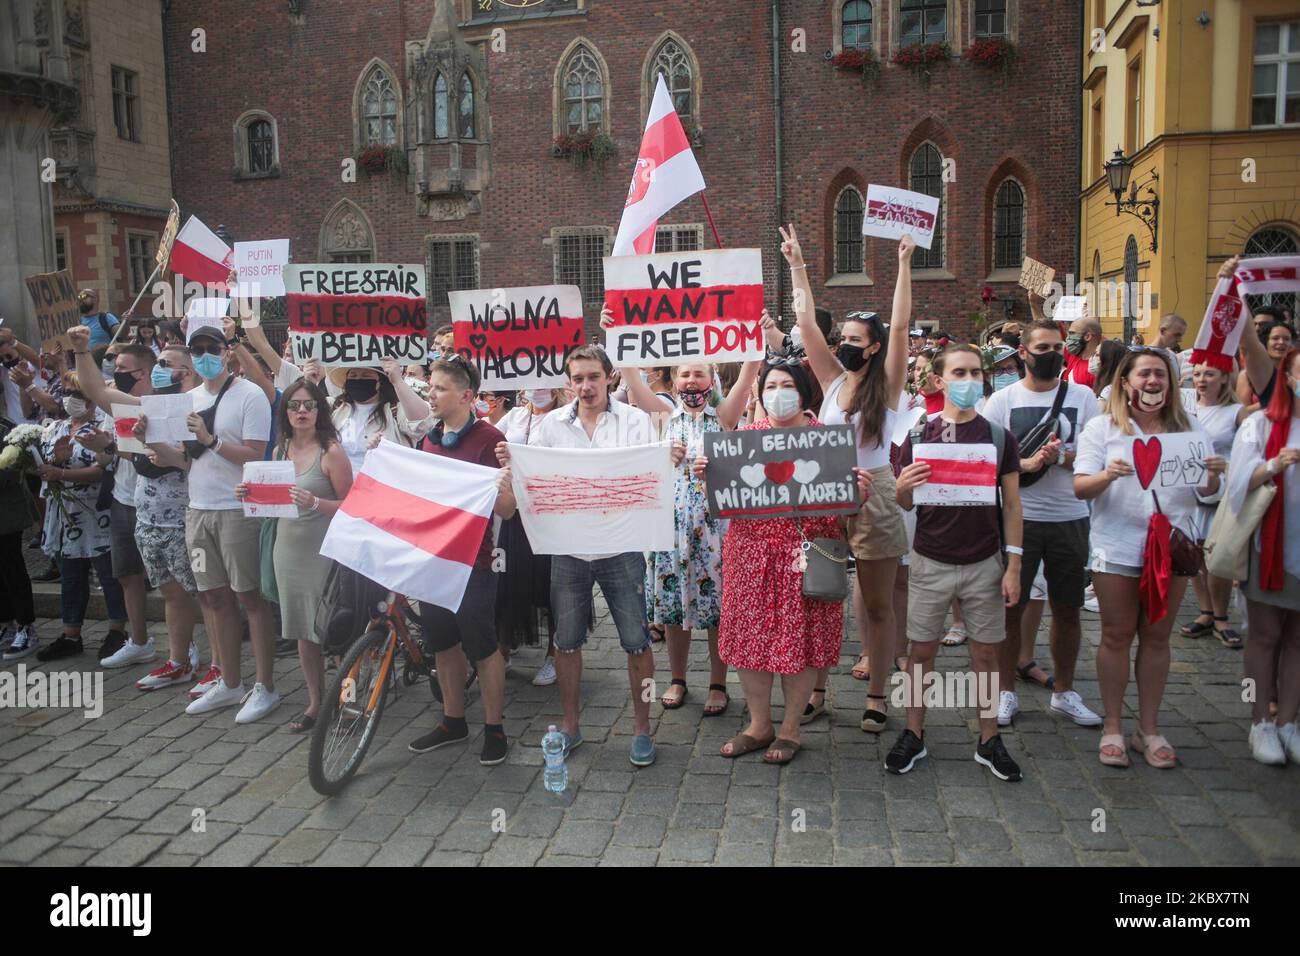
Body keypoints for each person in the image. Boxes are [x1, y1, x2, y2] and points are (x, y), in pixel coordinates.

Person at [497, 345, 681, 767]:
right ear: (568, 382)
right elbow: (535, 484)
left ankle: (641, 728)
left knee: (637, 643)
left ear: (610, 377)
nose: (585, 386)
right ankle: (571, 725)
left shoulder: (635, 421)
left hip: (622, 550)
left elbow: (651, 478)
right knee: (566, 643)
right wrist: (513, 464)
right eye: (577, 378)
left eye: (593, 376)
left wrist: (667, 461)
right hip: (568, 553)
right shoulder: (549, 428)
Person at [703, 360, 867, 764]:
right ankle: (759, 725)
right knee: (750, 642)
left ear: (804, 392)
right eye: (771, 385)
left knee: (802, 641)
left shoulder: (827, 442)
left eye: (788, 384)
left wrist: (857, 495)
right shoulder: (741, 440)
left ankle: (791, 729)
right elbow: (724, 503)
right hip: (750, 556)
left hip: (805, 557)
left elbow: (844, 512)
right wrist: (710, 475)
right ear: (760, 394)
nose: (779, 392)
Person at [787, 224, 915, 734]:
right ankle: (818, 691)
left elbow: (902, 328)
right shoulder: (833, 379)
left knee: (879, 604)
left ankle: (878, 695)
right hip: (827, 490)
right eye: (843, 339)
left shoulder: (886, 385)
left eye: (855, 341)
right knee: (820, 595)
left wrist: (904, 263)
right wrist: (796, 263)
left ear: (874, 346)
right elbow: (804, 321)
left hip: (877, 491)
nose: (844, 345)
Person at [603, 314, 760, 718]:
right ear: (674, 382)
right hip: (669, 531)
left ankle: (718, 682)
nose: (692, 381)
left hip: (715, 531)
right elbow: (630, 374)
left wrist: (753, 332)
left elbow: (748, 372)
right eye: (685, 374)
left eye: (699, 374)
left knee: (717, 609)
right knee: (674, 609)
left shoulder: (724, 417)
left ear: (712, 381)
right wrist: (614, 330)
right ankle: (677, 678)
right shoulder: (660, 416)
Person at [1074, 349, 1224, 768]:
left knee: (1157, 637)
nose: (1153, 381)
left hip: (1173, 545)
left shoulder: (1189, 428)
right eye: (1145, 374)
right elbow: (1080, 487)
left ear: (1171, 384)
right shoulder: (1102, 428)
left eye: (1161, 374)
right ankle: (1114, 726)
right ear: (1126, 381)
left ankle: (1150, 727)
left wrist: (1212, 475)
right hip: (1118, 545)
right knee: (1117, 635)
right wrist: (1108, 475)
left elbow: (1206, 494)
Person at [893, 344, 1025, 781]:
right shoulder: (918, 435)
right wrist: (902, 488)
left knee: (986, 653)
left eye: (975, 373)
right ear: (938, 380)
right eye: (959, 372)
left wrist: (1014, 565)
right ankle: (914, 733)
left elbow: (1011, 506)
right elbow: (906, 503)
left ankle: (989, 739)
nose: (969, 381)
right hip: (930, 560)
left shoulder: (998, 436)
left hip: (984, 561)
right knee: (920, 652)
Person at [150, 323, 279, 721]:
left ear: (227, 352)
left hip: (238, 510)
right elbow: (186, 461)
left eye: (212, 348)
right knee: (211, 596)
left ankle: (265, 686)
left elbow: (256, 454)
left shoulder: (249, 394)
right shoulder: (186, 398)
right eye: (197, 349)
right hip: (198, 509)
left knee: (250, 598)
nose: (205, 355)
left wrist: (211, 439)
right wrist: (151, 440)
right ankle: (230, 681)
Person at [68, 325, 206, 687]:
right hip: (148, 516)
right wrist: (81, 350)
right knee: (171, 593)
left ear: (187, 372)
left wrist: (162, 451)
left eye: (165, 362)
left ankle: (217, 668)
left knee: (204, 594)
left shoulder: (202, 406)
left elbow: (194, 461)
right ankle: (177, 660)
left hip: (187, 517)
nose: (158, 367)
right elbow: (97, 391)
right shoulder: (152, 404)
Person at [982, 319, 1103, 729]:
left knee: (1067, 609)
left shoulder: (1084, 397)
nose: (1050, 354)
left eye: (1056, 347)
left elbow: (1097, 450)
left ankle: (1064, 691)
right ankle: (1004, 693)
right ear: (1023, 354)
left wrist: (1062, 458)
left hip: (1070, 516)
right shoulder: (1002, 401)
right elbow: (988, 460)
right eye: (1042, 348)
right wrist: (1027, 463)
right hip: (1020, 519)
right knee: (1009, 609)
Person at [410, 355, 516, 765]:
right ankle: (453, 720)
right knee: (443, 643)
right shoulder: (429, 439)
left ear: (466, 395)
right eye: (430, 386)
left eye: (439, 388)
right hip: (435, 560)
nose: (430, 394)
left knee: (483, 646)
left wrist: (504, 485)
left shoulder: (491, 440)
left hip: (475, 563)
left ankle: (494, 726)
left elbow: (508, 510)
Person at [237, 379, 352, 732]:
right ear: (284, 413)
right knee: (302, 631)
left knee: (334, 630)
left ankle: (348, 700)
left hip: (324, 552)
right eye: (294, 405)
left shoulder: (330, 450)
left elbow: (352, 506)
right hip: (287, 550)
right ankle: (316, 703)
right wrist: (250, 493)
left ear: (321, 410)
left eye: (309, 405)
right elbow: (274, 505)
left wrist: (316, 502)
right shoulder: (280, 450)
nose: (301, 411)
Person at [14, 372, 129, 662]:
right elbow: (43, 466)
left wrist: (63, 472)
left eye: (76, 393)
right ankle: (71, 633)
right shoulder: (57, 427)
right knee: (70, 576)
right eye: (65, 391)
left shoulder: (102, 426)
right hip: (64, 515)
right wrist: (54, 463)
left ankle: (117, 630)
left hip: (94, 513)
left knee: (108, 574)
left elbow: (103, 469)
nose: (69, 399)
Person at [1229, 347, 1300, 764]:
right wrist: (1274, 464)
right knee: (1265, 635)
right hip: (1272, 549)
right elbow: (1238, 486)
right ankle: (1261, 720)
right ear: (1287, 377)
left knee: (1297, 638)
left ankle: (1289, 720)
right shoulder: (1262, 423)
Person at [77, 342, 158, 667]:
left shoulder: (156, 404)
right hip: (122, 498)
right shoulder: (115, 407)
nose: (114, 375)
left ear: (143, 372)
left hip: (155, 502)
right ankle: (138, 640)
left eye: (120, 369)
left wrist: (81, 350)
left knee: (173, 583)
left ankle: (185, 648)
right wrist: (101, 446)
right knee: (127, 574)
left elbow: (151, 455)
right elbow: (107, 456)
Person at [493, 387, 565, 685]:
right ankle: (502, 652)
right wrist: (499, 452)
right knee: (510, 583)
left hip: (551, 516)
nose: (537, 388)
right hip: (515, 514)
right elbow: (487, 439)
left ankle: (555, 655)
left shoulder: (564, 419)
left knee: (550, 587)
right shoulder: (515, 417)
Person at [1180, 362, 1248, 648]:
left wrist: (1228, 465)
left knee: (1216, 558)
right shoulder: (1183, 410)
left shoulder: (1237, 412)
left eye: (1209, 374)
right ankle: (1206, 612)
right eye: (1196, 374)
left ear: (1224, 378)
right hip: (1189, 493)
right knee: (1194, 557)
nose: (1201, 379)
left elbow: (1250, 450)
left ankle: (1221, 617)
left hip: (1222, 495)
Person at [0, 418, 38, 658]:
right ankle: (6, 624)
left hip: (6, 514)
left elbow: (11, 471)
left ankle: (26, 625)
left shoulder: (6, 429)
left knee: (11, 567)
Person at [1064, 315, 1104, 389]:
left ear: (1087, 336)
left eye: (1072, 333)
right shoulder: (1074, 355)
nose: (1067, 338)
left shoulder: (1096, 369)